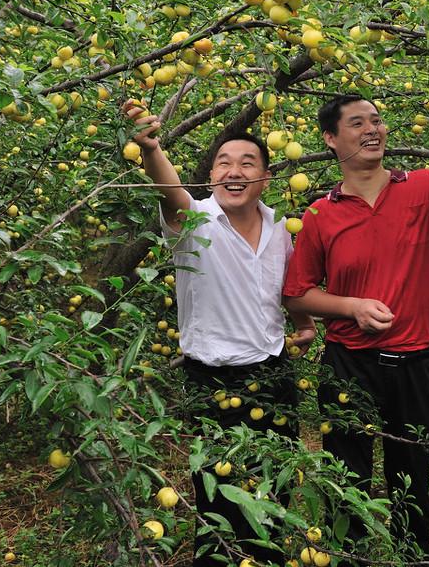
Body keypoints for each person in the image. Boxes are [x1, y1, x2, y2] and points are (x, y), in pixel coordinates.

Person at [282, 91, 429, 561]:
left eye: (377, 121)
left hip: (414, 362)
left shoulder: (424, 187)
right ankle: (352, 557)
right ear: (330, 138)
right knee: (346, 479)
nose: (372, 130)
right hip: (348, 365)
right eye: (357, 123)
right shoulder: (320, 214)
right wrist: (351, 306)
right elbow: (297, 294)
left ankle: (411, 557)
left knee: (412, 476)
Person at [122, 99, 316, 567]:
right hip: (212, 381)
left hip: (274, 374)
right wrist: (151, 150)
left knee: (274, 486)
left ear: (266, 178)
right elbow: (171, 190)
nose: (234, 170)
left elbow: (282, 290)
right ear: (211, 177)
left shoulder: (282, 227)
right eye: (223, 163)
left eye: (247, 162)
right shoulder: (194, 221)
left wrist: (304, 324)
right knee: (218, 500)